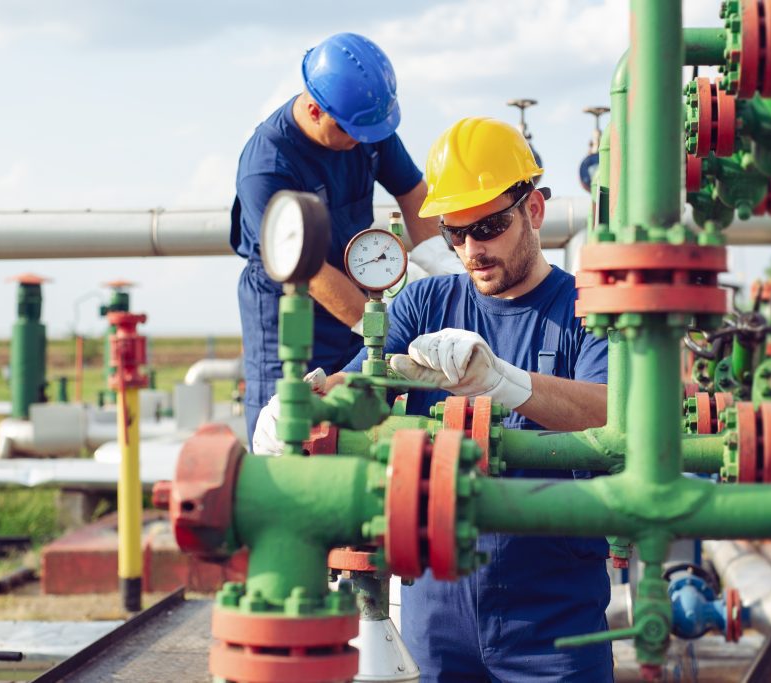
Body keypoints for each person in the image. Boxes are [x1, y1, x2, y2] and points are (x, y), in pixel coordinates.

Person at [338, 116, 613, 681]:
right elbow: (357, 390)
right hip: (435, 618)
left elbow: (614, 410)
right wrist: (306, 402)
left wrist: (503, 382)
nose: (471, 249)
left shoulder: (588, 310)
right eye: (453, 234)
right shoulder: (422, 305)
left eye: (488, 226)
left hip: (554, 622)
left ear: (533, 210)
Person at [230, 32, 463, 439]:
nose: (360, 142)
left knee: (361, 418)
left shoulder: (364, 124)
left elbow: (412, 190)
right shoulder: (267, 166)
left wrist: (441, 266)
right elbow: (308, 272)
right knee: (287, 429)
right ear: (315, 109)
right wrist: (385, 330)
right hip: (291, 313)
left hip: (356, 290)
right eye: (351, 132)